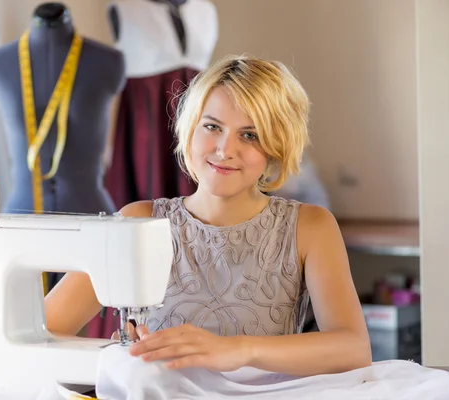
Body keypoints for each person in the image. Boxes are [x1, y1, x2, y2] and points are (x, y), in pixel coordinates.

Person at [44, 54, 372, 377]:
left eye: (250, 135)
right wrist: (119, 357)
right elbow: (45, 329)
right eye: (212, 127)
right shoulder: (138, 222)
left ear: (276, 146)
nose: (224, 150)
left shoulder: (310, 227)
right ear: (189, 129)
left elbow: (353, 349)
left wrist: (240, 350)